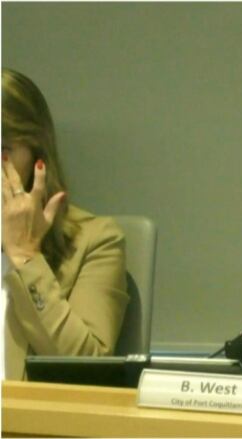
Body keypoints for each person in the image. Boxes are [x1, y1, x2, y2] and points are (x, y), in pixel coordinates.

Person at [2, 68, 128, 380]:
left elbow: (86, 370)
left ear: (36, 153)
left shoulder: (97, 241)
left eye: (2, 148)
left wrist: (25, 256)